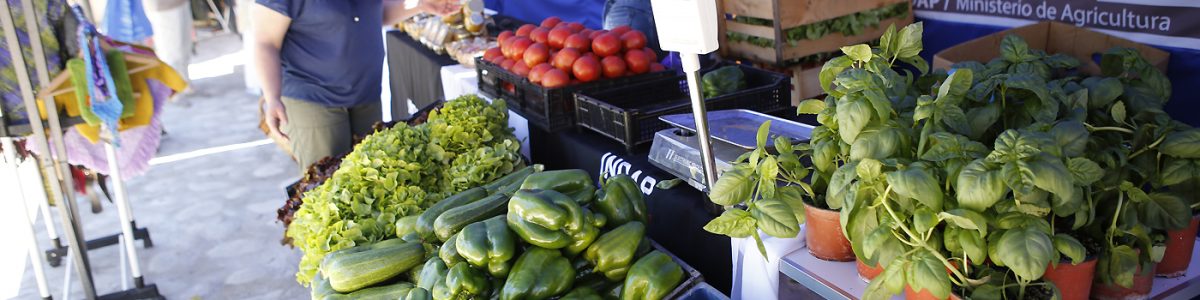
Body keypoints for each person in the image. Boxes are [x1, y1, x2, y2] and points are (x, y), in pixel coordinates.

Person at [253, 0, 459, 172]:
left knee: (370, 177)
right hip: (313, 96)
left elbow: (377, 14)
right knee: (327, 185)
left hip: (366, 94)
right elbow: (265, 42)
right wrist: (272, 97)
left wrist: (421, 5)